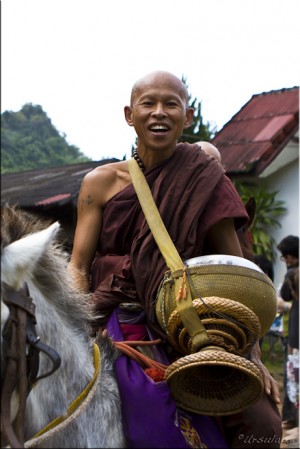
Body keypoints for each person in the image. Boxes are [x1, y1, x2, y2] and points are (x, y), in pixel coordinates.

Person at [69, 70, 281, 448]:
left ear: (188, 116)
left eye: (171, 104)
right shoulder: (100, 183)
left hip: (198, 321)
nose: (159, 112)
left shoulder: (204, 176)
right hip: (125, 318)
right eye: (147, 103)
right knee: (147, 411)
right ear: (129, 115)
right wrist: (76, 330)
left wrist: (253, 354)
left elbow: (238, 275)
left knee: (260, 424)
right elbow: (78, 266)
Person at [276, 235, 299, 430]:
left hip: (294, 336)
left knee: (292, 375)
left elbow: (283, 296)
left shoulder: (292, 274)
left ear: (290, 257)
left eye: (284, 258)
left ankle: (290, 418)